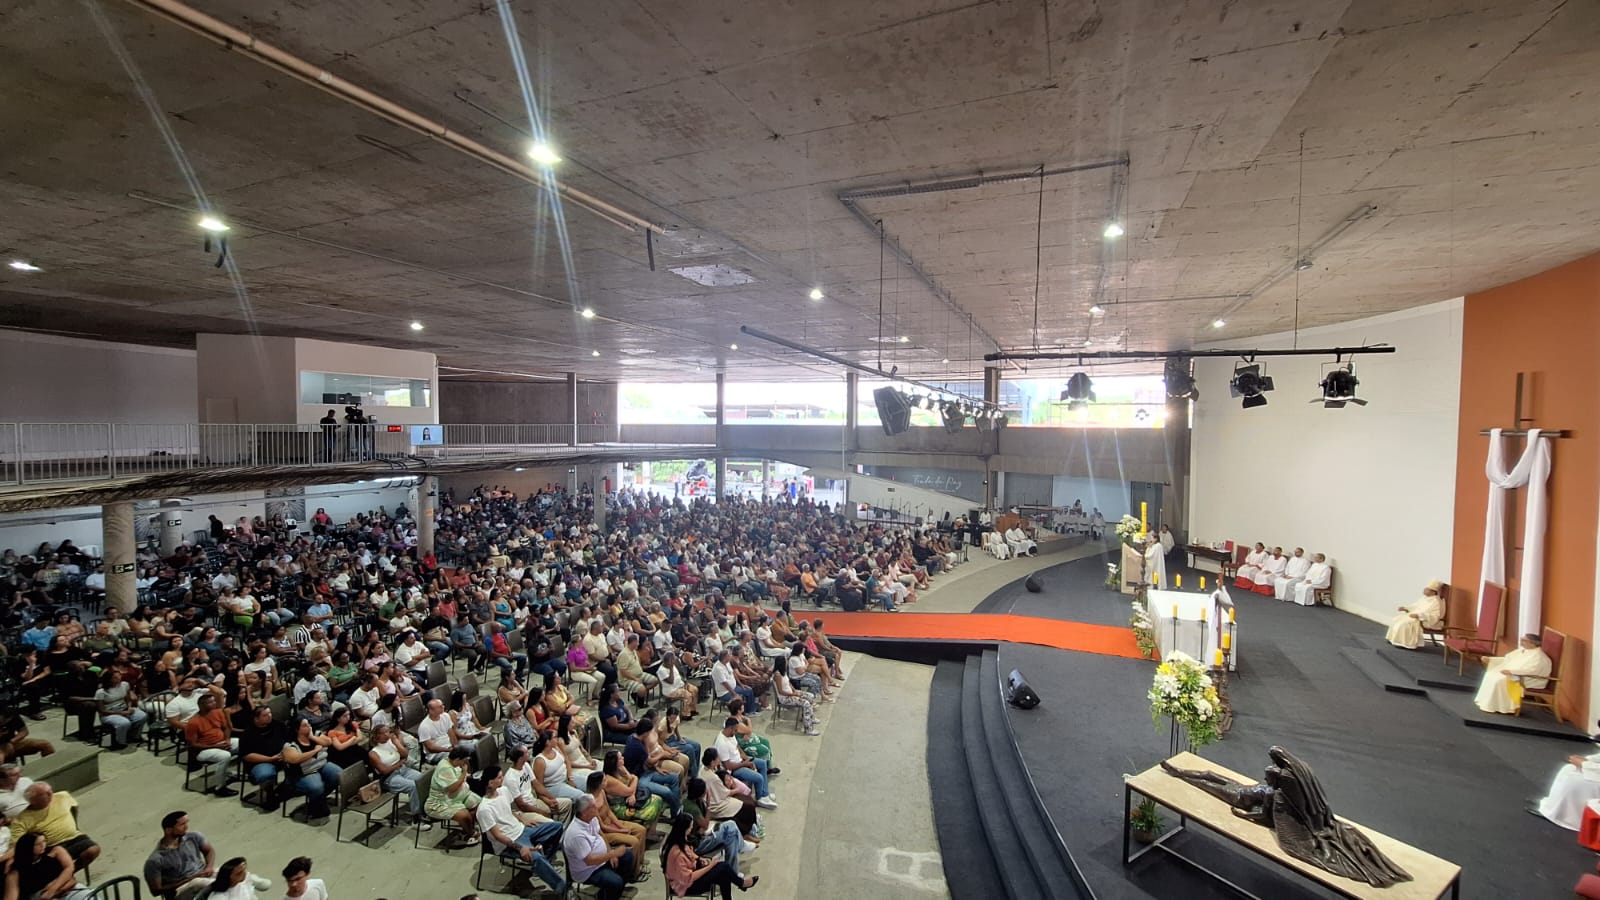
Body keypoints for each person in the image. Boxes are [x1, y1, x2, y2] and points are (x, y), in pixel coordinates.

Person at [477, 768, 568, 896]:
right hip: (509, 842)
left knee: (557, 827)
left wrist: (523, 819)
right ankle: (562, 889)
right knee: (535, 857)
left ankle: (544, 863)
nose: (502, 779)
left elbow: (509, 811)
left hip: (521, 828)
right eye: (499, 778)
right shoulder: (484, 809)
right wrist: (520, 848)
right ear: (490, 783)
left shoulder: (503, 791)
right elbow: (498, 836)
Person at [144, 811, 272, 899]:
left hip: (203, 873)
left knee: (229, 873)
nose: (186, 827)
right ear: (168, 829)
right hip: (181, 889)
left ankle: (250, 881)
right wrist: (190, 878)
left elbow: (209, 851)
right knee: (203, 882)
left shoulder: (193, 837)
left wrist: (209, 867)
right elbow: (156, 891)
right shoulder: (156, 860)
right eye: (182, 825)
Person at [662, 812, 758, 900]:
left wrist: (700, 859)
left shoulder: (678, 841)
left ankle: (738, 888)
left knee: (723, 872)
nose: (692, 829)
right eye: (690, 827)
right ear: (684, 829)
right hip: (686, 886)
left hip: (690, 875)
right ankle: (742, 884)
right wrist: (710, 866)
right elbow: (689, 878)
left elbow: (690, 854)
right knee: (723, 869)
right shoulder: (677, 854)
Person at [7, 783, 98, 869]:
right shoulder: (21, 820)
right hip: (50, 847)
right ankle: (64, 875)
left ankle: (70, 872)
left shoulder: (62, 796)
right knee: (52, 865)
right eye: (44, 793)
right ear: (33, 800)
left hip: (75, 837)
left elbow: (74, 808)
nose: (51, 794)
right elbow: (17, 844)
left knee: (93, 850)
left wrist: (74, 825)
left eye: (50, 790)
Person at [563, 795, 634, 900]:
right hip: (588, 871)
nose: (596, 808)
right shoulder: (576, 834)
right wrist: (613, 854)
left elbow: (601, 834)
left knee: (627, 856)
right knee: (616, 882)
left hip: (602, 860)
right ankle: (610, 892)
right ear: (584, 813)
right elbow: (589, 861)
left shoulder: (591, 819)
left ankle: (607, 893)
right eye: (593, 807)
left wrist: (610, 851)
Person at [366, 723, 429, 829]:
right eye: (385, 732)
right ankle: (416, 819)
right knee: (413, 786)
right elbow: (383, 770)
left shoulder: (391, 742)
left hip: (403, 770)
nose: (388, 734)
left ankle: (425, 809)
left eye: (389, 731)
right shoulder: (373, 753)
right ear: (377, 736)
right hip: (389, 778)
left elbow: (405, 754)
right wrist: (398, 764)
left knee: (423, 780)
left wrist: (396, 741)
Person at [1474, 633, 1552, 714]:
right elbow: (1507, 659)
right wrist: (1491, 659)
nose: (1521, 641)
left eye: (1524, 640)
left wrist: (1512, 672)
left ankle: (1502, 707)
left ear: (1533, 643)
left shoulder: (1539, 657)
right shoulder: (1523, 650)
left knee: (1499, 681)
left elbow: (1531, 670)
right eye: (1521, 639)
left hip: (1530, 679)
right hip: (1516, 674)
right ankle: (1486, 703)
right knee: (1490, 674)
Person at [281, 717, 341, 820]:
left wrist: (312, 737)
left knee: (339, 775)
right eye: (305, 725)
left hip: (321, 765)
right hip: (304, 773)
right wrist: (315, 751)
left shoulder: (315, 734)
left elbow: (328, 742)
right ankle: (316, 807)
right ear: (297, 729)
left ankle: (319, 799)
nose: (309, 726)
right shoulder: (290, 744)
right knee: (316, 787)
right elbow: (295, 759)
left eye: (309, 724)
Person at [6, 831, 92, 900]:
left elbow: (69, 869)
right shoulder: (16, 871)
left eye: (44, 841)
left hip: (66, 888)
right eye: (38, 844)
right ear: (28, 847)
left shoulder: (55, 852)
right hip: (40, 896)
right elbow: (11, 896)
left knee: (89, 896)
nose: (43, 845)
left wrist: (52, 889)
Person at [183, 694, 239, 797]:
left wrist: (227, 740)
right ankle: (220, 788)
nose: (214, 703)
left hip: (221, 743)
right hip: (203, 751)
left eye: (214, 701)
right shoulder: (193, 722)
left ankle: (244, 773)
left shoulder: (218, 712)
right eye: (211, 702)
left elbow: (226, 727)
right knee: (225, 756)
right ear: (201, 705)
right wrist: (216, 747)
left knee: (242, 743)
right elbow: (193, 745)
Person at [712, 720, 776, 809]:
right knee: (759, 778)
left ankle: (764, 793)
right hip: (735, 768)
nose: (737, 732)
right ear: (730, 728)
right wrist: (745, 764)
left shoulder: (731, 735)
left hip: (741, 760)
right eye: (735, 730)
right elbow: (728, 766)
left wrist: (746, 759)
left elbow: (738, 747)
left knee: (762, 763)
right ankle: (760, 798)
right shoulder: (722, 743)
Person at [93, 667, 147, 749]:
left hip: (124, 708)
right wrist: (121, 713)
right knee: (124, 723)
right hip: (109, 713)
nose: (119, 678)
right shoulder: (101, 692)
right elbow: (102, 710)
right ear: (109, 679)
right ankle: (120, 742)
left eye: (119, 676)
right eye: (115, 677)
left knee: (142, 716)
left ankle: (135, 736)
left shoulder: (125, 684)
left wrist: (129, 707)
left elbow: (128, 699)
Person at [1385, 581, 1446, 649]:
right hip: (1415, 616)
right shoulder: (1424, 598)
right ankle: (1394, 640)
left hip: (1425, 620)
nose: (1424, 590)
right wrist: (1405, 608)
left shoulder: (1436, 602)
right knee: (1397, 619)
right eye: (1425, 588)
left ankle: (1404, 643)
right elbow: (1415, 606)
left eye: (1427, 589)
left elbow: (1435, 615)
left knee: (1405, 624)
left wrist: (1419, 616)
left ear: (1433, 592)